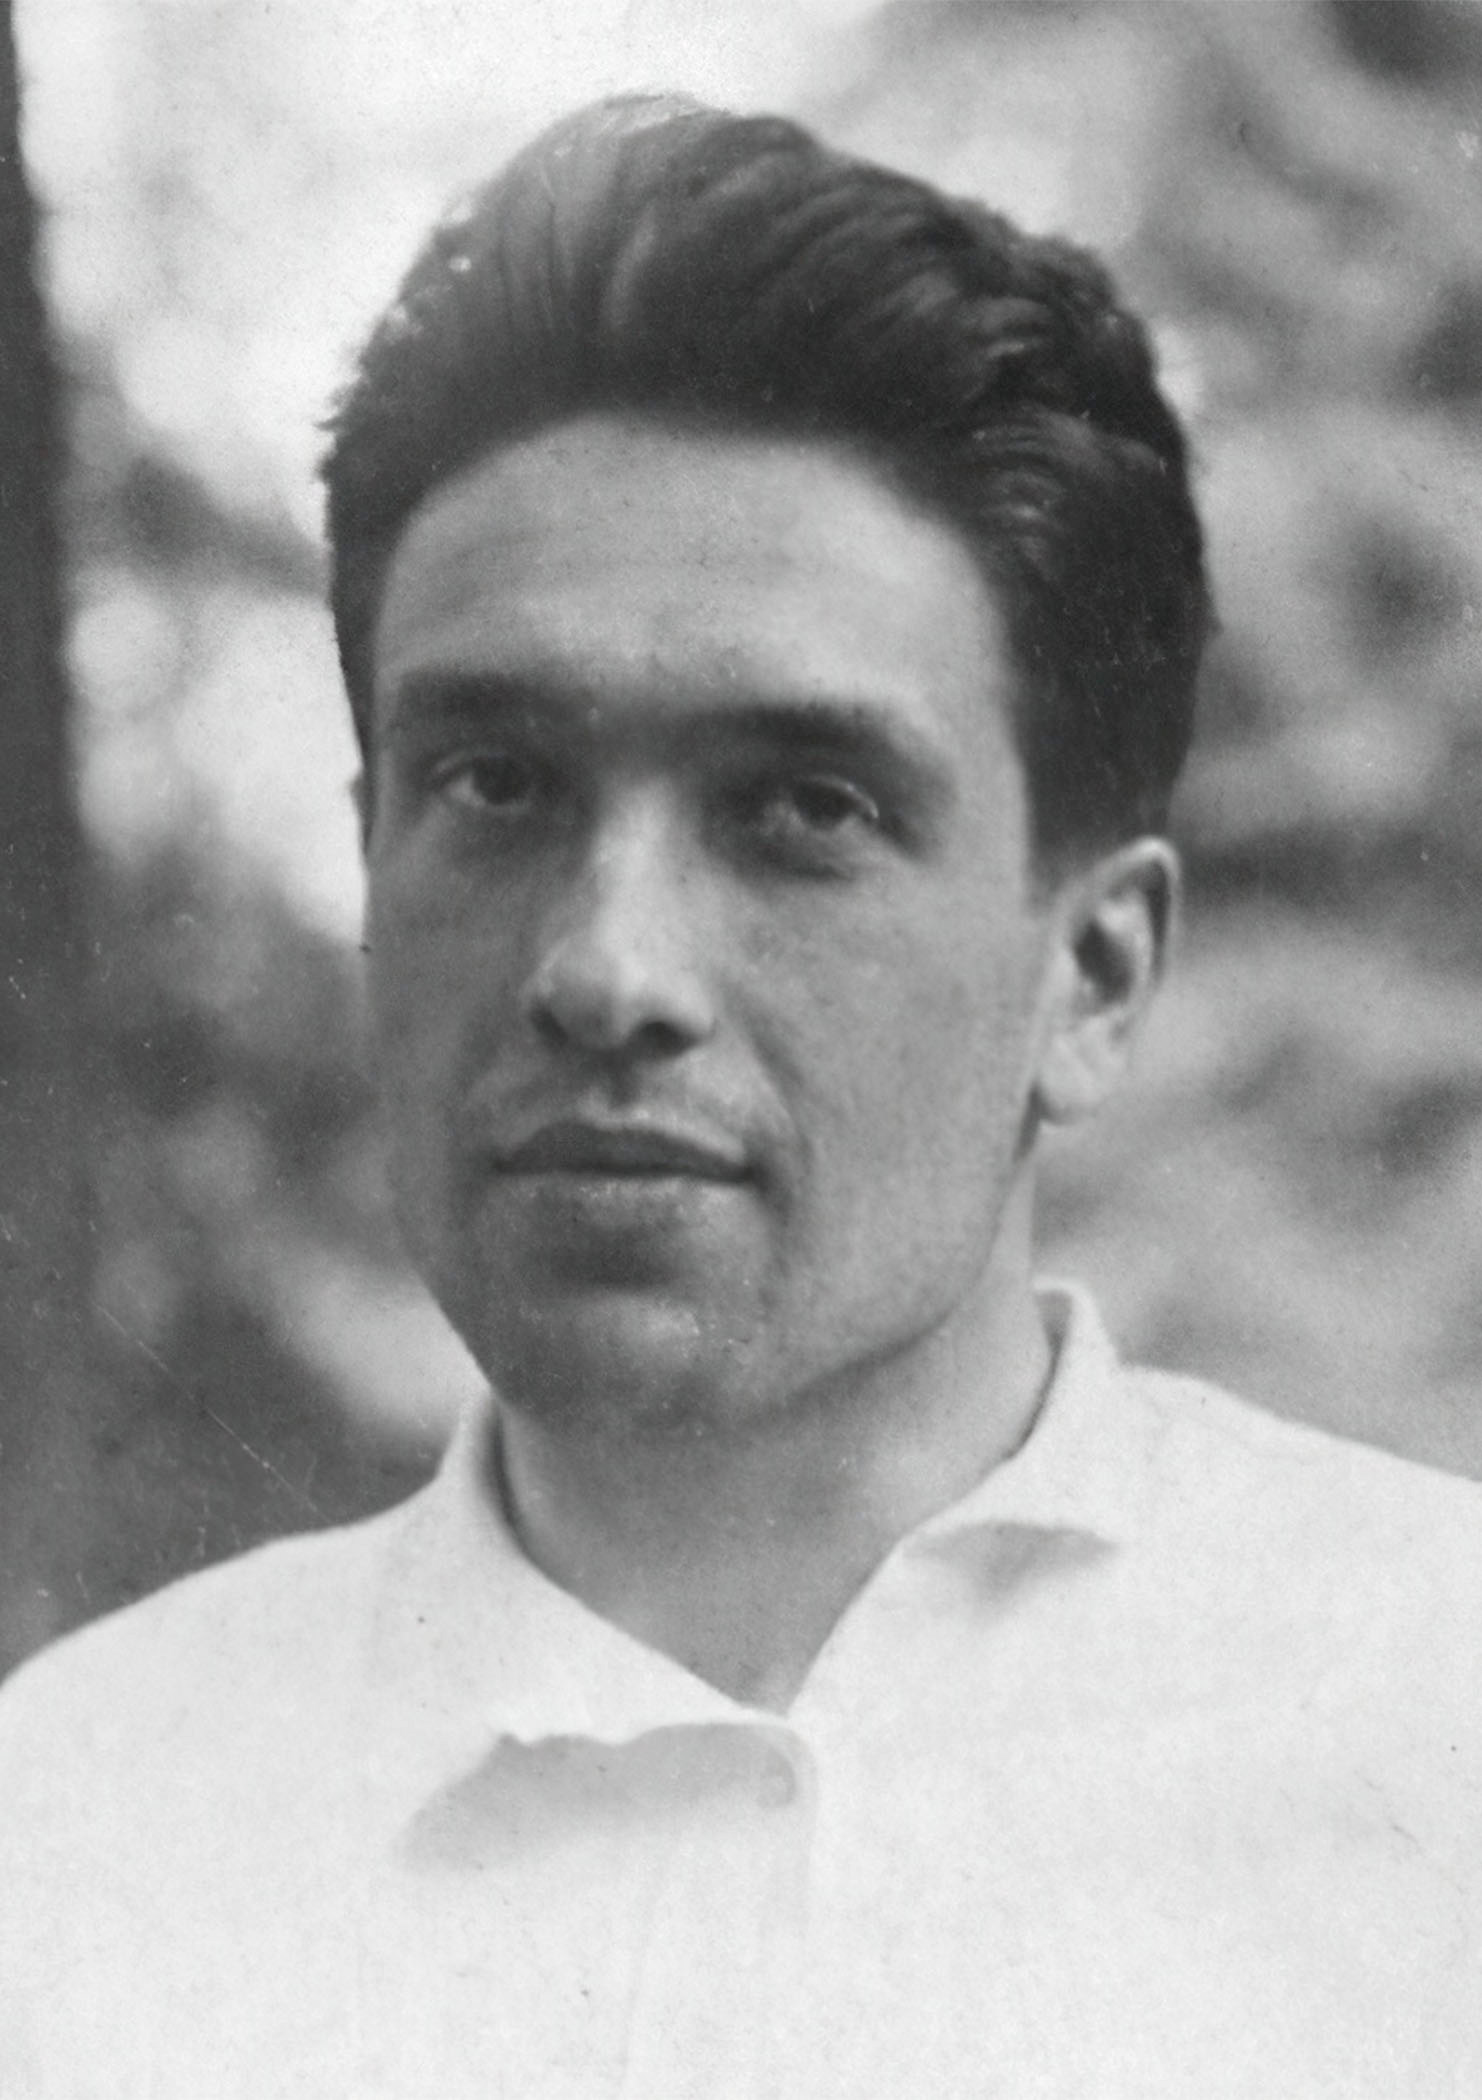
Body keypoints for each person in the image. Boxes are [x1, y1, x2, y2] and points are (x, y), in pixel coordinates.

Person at [2, 93, 1481, 2099]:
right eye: (495, 785)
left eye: (804, 808)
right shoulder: (73, 1834)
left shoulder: (1432, 1738)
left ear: (1093, 973)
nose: (607, 969)